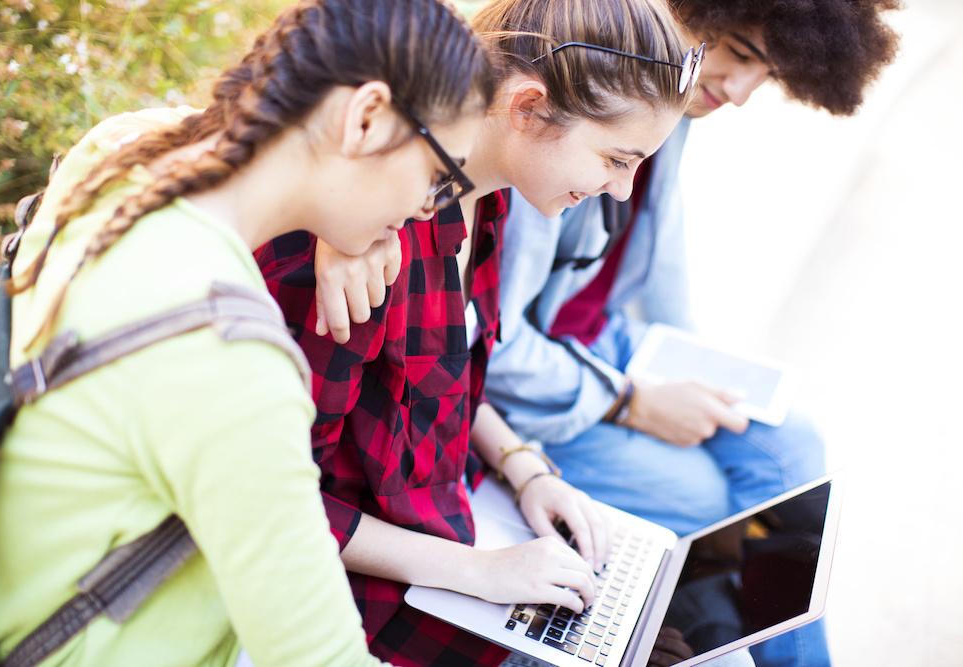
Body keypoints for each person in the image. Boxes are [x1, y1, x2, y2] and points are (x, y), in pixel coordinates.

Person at [0, 1, 496, 665]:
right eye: (437, 177)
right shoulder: (227, 357)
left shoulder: (120, 151)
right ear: (364, 117)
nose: (427, 210)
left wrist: (337, 219)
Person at [255, 1, 742, 666]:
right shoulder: (358, 246)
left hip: (456, 529)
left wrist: (524, 467)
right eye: (614, 157)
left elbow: (442, 378)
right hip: (371, 602)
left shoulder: (486, 203)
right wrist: (479, 572)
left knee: (693, 647)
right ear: (525, 107)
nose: (622, 192)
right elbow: (270, 502)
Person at [481, 1, 901, 666]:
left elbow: (660, 261)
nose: (737, 93)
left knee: (790, 437)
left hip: (602, 344)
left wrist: (698, 374)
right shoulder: (561, 123)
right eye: (736, 51)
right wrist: (632, 401)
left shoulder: (672, 108)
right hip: (542, 382)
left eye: (764, 72)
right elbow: (493, 345)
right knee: (708, 498)